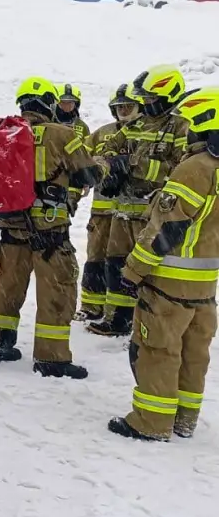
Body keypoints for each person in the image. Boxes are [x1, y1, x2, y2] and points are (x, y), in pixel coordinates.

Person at [109, 87, 219, 441]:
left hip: (169, 284)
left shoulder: (195, 168)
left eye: (190, 123)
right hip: (205, 287)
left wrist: (132, 272)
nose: (186, 130)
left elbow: (164, 229)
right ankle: (185, 420)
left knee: (159, 350)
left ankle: (151, 423)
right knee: (194, 354)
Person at [0, 77, 104, 378]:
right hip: (49, 233)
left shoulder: (3, 134)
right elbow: (88, 175)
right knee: (57, 291)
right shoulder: (62, 134)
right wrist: (104, 164)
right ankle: (51, 358)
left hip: (11, 227)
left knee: (8, 286)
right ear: (49, 104)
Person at [90, 65, 191, 337]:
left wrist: (133, 164)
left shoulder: (182, 127)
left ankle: (149, 323)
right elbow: (108, 148)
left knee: (151, 269)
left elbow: (179, 170)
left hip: (153, 215)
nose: (145, 104)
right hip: (122, 211)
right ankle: (117, 320)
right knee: (116, 265)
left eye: (150, 99)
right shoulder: (137, 124)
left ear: (168, 95)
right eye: (143, 100)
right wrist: (108, 168)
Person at [76, 85, 136, 322]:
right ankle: (91, 306)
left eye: (128, 106)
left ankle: (120, 313)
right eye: (119, 107)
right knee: (95, 259)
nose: (123, 110)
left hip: (131, 214)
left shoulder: (144, 134)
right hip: (102, 212)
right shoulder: (102, 133)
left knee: (122, 263)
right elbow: (81, 158)